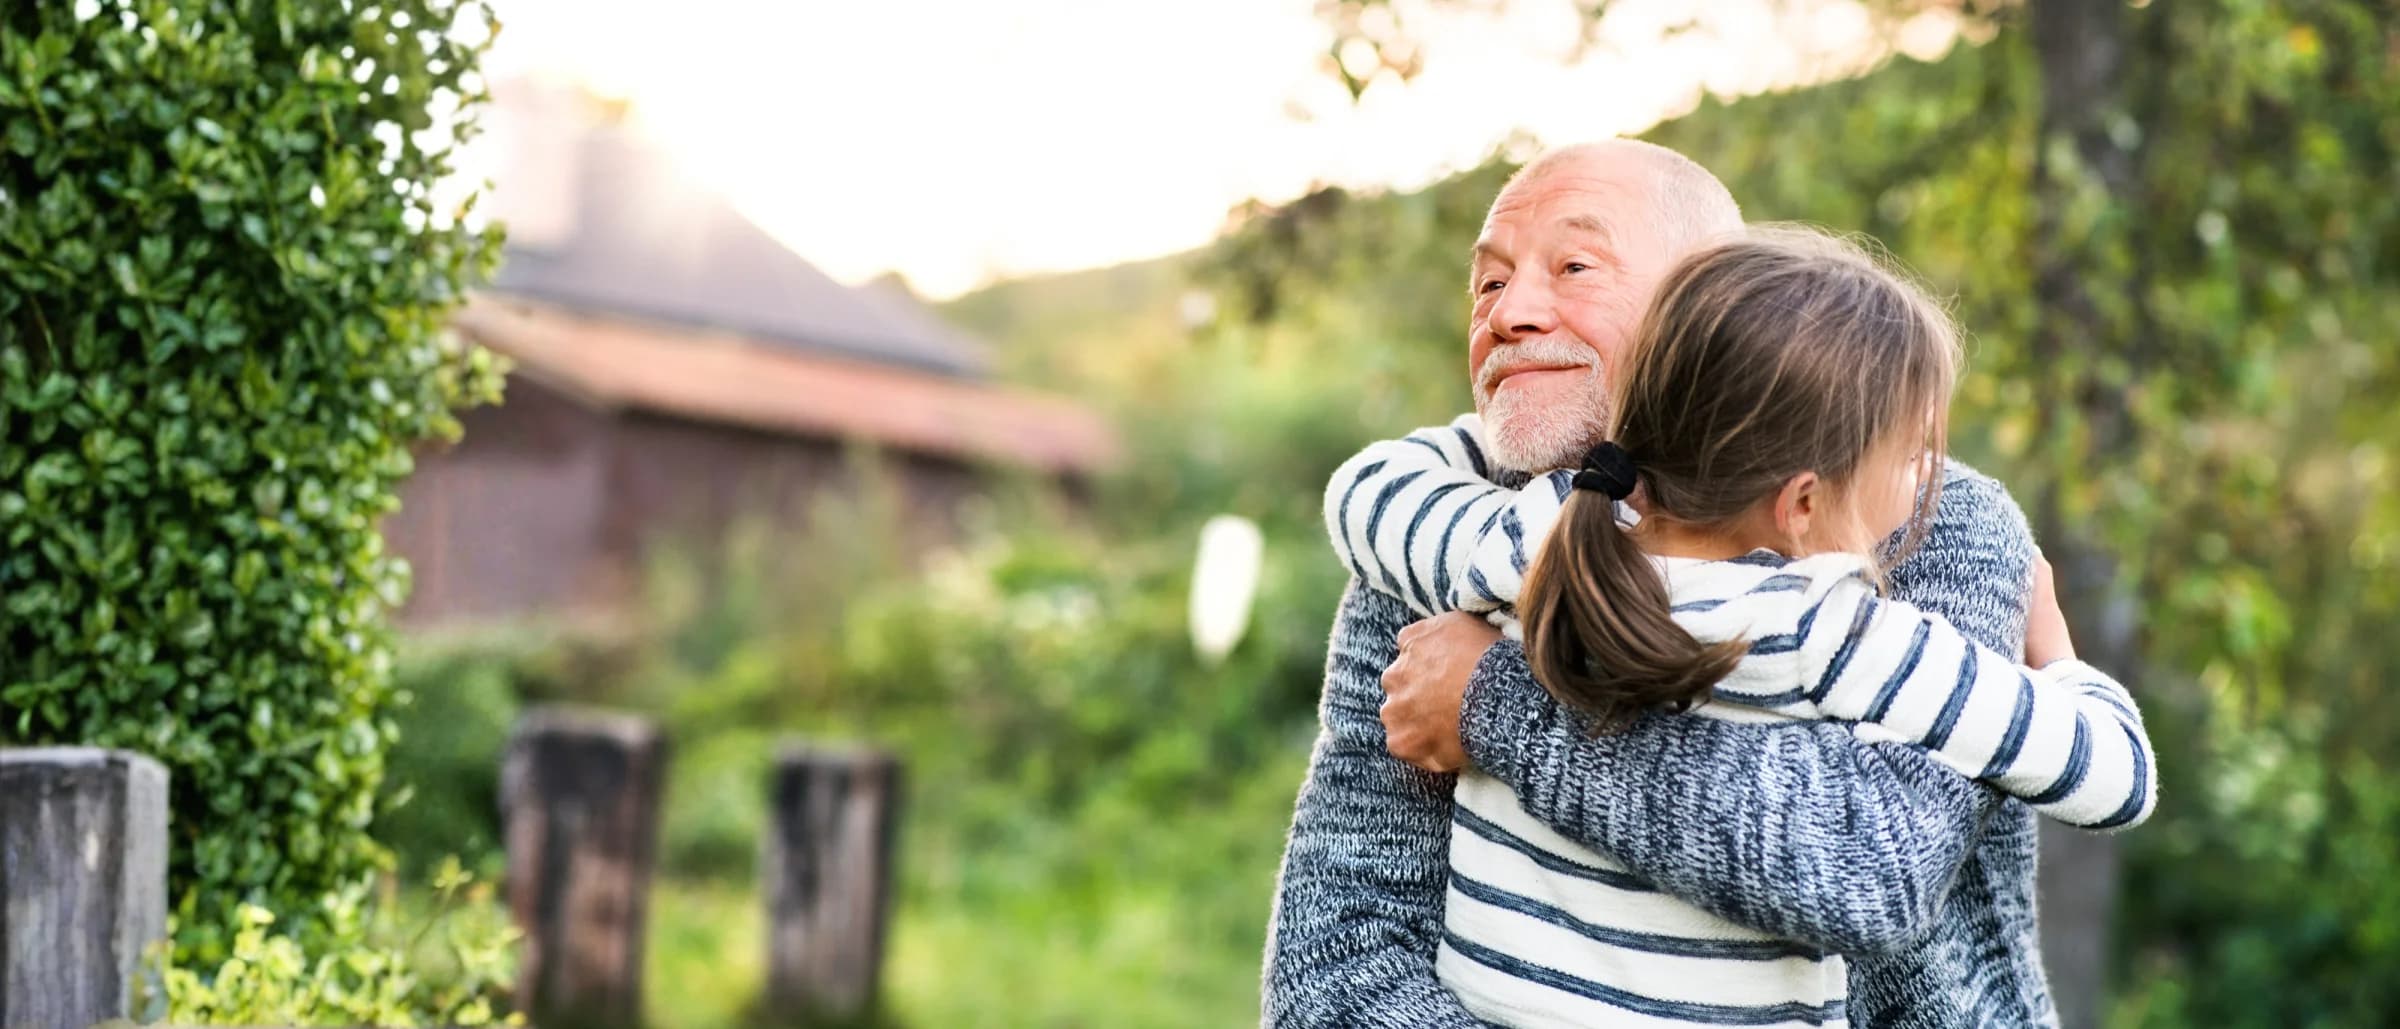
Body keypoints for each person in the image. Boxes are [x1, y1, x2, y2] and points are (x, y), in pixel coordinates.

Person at [1262, 140, 2069, 1027]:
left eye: (1574, 266)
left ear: (1711, 300)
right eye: (1488, 284)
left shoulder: (1920, 517)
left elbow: (1874, 863)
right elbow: (1336, 967)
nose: (1511, 313)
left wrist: (1492, 701)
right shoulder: (1437, 547)